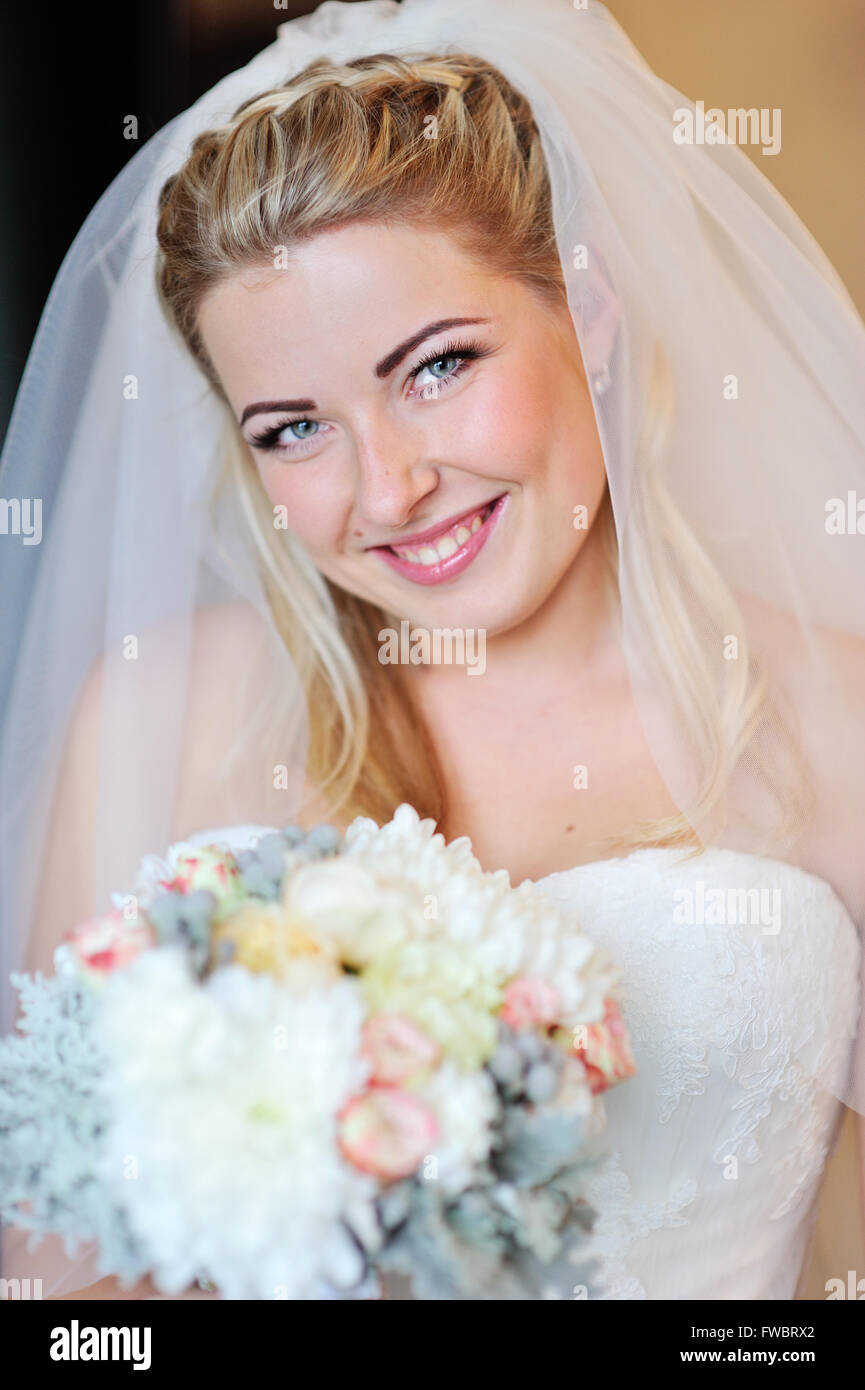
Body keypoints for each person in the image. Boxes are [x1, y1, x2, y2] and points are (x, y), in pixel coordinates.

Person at [1, 0, 864, 1300]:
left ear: (589, 311)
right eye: (293, 429)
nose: (389, 489)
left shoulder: (833, 716)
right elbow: (59, 1271)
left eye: (435, 366)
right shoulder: (155, 711)